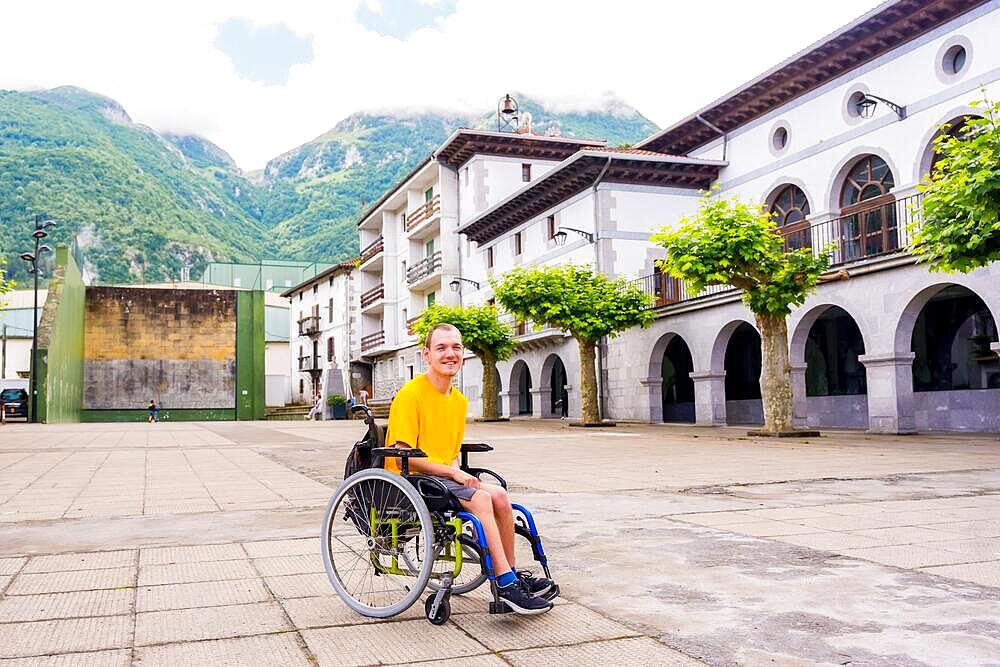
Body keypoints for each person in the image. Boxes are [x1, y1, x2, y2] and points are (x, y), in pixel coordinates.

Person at [385, 322, 554, 615]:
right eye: (441, 348)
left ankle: (511, 575)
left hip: (441, 477)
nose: (450, 354)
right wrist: (452, 473)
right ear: (426, 355)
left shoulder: (459, 401)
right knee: (481, 498)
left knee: (499, 494)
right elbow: (403, 456)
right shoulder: (410, 395)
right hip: (411, 479)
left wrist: (454, 472)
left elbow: (449, 452)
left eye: (456, 347)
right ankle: (504, 582)